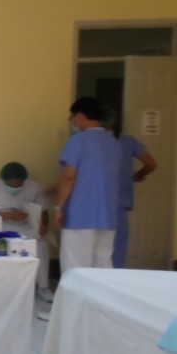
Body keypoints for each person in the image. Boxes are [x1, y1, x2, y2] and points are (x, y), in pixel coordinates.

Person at [55, 96, 122, 273]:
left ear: (80, 115)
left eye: (72, 117)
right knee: (102, 265)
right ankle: (102, 301)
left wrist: (59, 207)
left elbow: (69, 176)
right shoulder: (113, 143)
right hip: (107, 215)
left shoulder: (78, 141)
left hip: (81, 215)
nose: (72, 122)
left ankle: (75, 302)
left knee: (75, 268)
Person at [0, 162, 54, 301]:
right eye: (11, 184)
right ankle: (9, 287)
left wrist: (43, 226)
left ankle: (43, 287)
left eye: (18, 184)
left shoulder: (33, 187)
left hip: (26, 225)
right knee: (4, 245)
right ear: (4, 181)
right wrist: (8, 216)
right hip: (2, 225)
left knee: (41, 245)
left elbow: (43, 210)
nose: (15, 187)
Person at [101, 107, 156, 268]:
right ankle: (116, 281)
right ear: (113, 122)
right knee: (117, 248)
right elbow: (151, 164)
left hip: (95, 203)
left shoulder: (90, 142)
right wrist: (138, 175)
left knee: (95, 248)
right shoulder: (127, 142)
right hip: (120, 202)